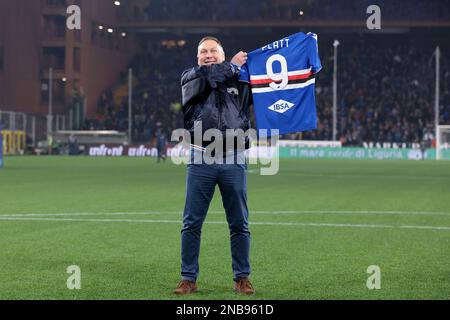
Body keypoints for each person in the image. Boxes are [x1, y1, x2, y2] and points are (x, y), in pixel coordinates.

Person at [173, 36, 255, 295]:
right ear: (198, 57)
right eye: (203, 52)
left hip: (233, 156)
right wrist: (232, 65)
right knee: (192, 222)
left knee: (239, 222)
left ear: (221, 54)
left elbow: (266, 91)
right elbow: (210, 78)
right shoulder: (191, 77)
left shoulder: (240, 80)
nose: (208, 55)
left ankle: (242, 277)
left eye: (213, 51)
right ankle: (188, 278)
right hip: (201, 157)